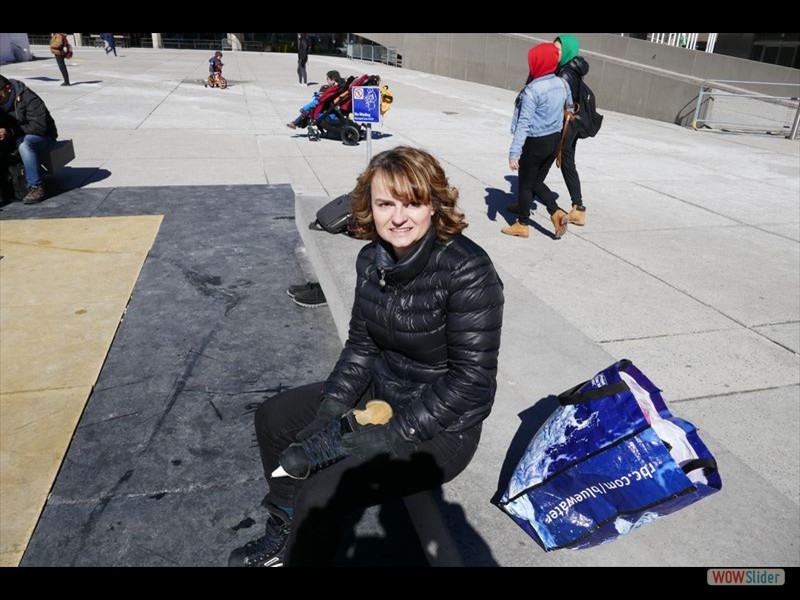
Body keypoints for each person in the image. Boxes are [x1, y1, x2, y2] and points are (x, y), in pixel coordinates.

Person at [228, 146, 505, 567]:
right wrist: (331, 409)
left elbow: (472, 381)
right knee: (274, 418)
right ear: (368, 207)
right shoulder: (370, 262)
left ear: (434, 205)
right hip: (382, 397)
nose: (398, 217)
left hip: (444, 428)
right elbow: (362, 346)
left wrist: (397, 433)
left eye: (412, 202)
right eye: (385, 203)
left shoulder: (467, 270)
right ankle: (283, 528)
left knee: (322, 496)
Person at [502, 43, 572, 240]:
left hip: (534, 143)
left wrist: (514, 153)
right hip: (553, 142)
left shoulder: (532, 90)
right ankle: (555, 213)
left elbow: (524, 123)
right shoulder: (563, 83)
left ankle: (523, 224)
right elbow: (571, 109)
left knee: (526, 183)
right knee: (536, 181)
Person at [0, 75, 58, 204]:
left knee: (24, 143)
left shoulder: (28, 97)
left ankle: (36, 187)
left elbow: (39, 126)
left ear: (8, 89)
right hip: (13, 136)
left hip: (43, 138)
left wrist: (10, 132)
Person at [554, 34, 589, 227]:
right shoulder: (573, 68)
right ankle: (579, 207)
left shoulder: (565, 72)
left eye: (558, 50)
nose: (555, 53)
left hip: (565, 124)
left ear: (567, 51)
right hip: (572, 122)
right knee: (567, 163)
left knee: (543, 160)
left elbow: (558, 100)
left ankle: (579, 208)